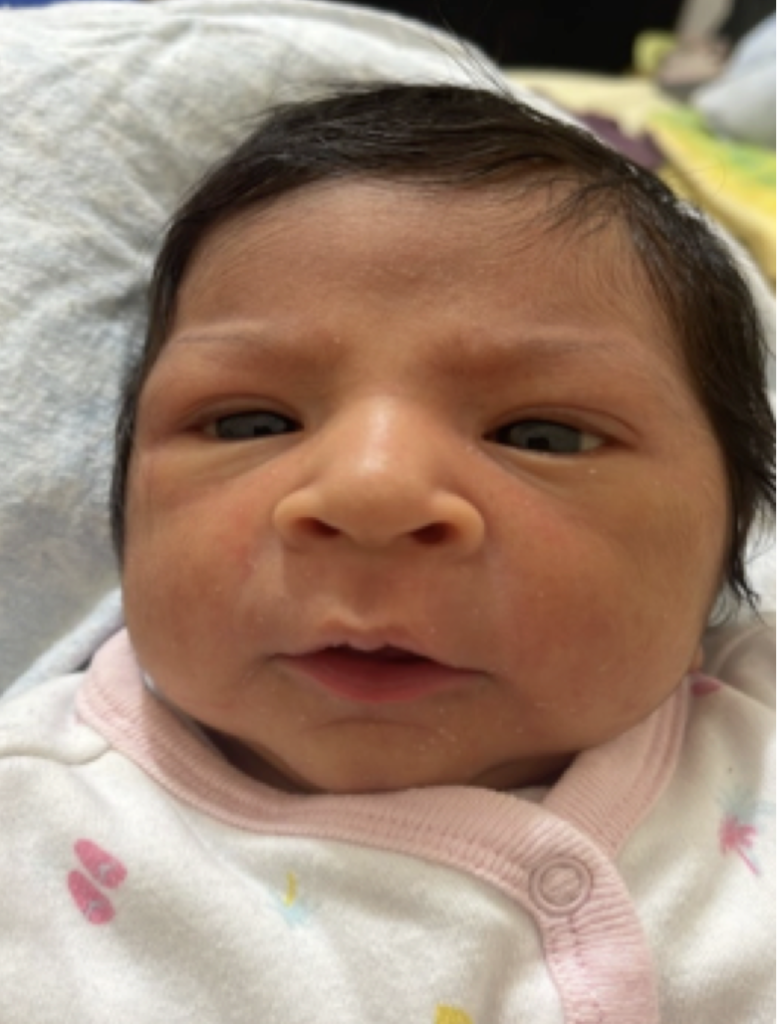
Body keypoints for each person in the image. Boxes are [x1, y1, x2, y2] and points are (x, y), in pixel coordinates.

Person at [1, 83, 774, 1023]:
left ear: (726, 549)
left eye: (542, 437)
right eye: (250, 423)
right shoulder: (31, 819)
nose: (371, 492)